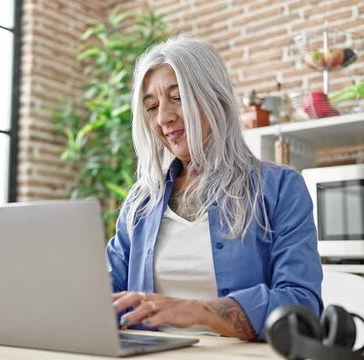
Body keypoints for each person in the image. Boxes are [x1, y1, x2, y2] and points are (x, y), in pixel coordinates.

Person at [106, 37, 323, 341]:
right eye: (152, 107)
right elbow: (105, 293)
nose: (163, 117)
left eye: (177, 97)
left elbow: (302, 306)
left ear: (215, 97)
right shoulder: (140, 203)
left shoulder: (280, 188)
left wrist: (196, 311)